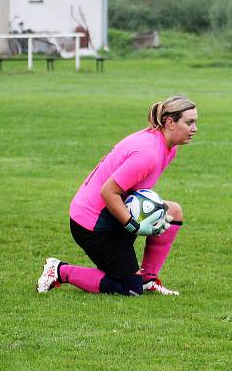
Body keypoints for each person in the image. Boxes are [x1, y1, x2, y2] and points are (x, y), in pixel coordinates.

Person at [36, 96, 197, 296]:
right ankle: (59, 270)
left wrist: (150, 215)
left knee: (173, 211)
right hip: (92, 224)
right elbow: (108, 191)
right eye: (189, 122)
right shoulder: (149, 154)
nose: (194, 128)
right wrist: (134, 225)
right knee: (129, 289)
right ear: (170, 122)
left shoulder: (167, 147)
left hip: (112, 213)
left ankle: (148, 279)